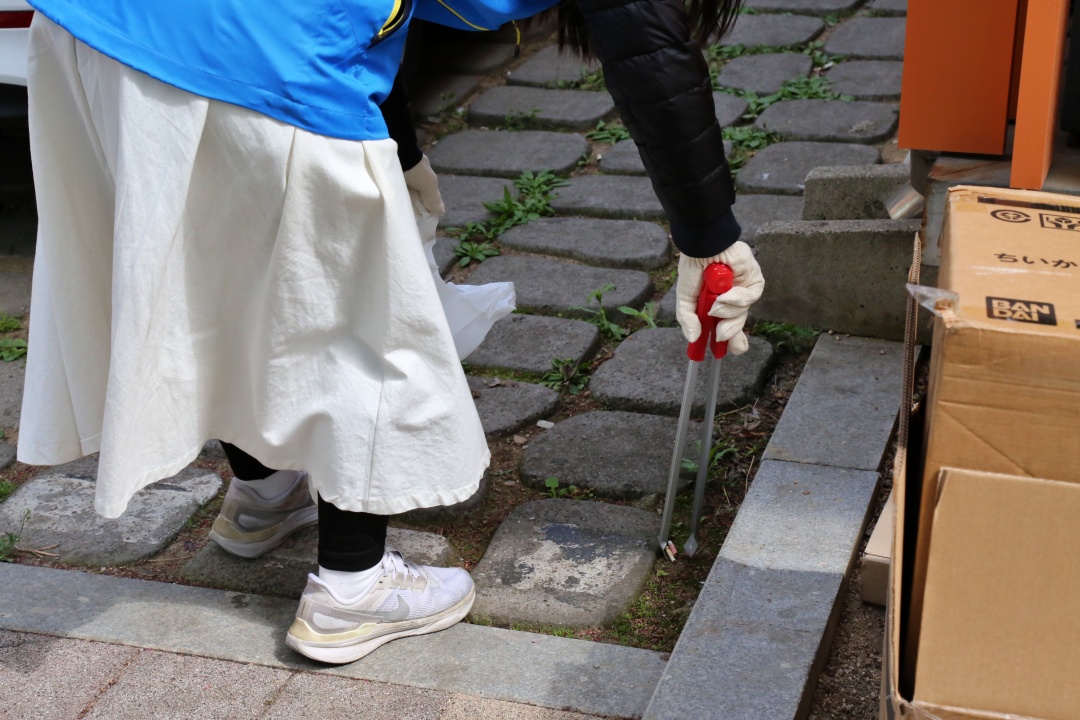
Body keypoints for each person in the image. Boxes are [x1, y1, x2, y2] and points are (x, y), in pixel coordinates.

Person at [18, 0, 762, 665]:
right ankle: (352, 590)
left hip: (92, 29)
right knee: (358, 318)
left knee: (207, 269)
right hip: (258, 40)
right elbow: (648, 46)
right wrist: (709, 237)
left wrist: (399, 148)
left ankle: (265, 494)